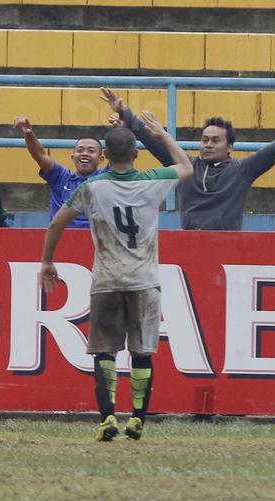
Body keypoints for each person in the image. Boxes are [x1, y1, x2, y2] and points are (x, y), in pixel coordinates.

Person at [40, 112, 192, 442]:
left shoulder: (93, 187)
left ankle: (108, 416)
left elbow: (56, 224)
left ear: (104, 156)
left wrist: (47, 262)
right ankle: (137, 418)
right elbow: (186, 167)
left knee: (105, 351)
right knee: (142, 352)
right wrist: (162, 135)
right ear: (135, 155)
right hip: (144, 281)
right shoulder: (152, 180)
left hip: (107, 281)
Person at [100, 87, 275, 230]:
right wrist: (124, 113)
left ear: (230, 146)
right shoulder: (185, 166)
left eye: (215, 141)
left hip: (228, 249)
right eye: (204, 140)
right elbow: (154, 142)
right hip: (190, 246)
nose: (208, 145)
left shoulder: (242, 170)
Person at [13, 116, 106, 228]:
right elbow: (40, 155)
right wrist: (28, 133)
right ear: (73, 157)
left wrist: (121, 129)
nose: (84, 153)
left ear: (101, 159)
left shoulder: (107, 178)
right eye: (80, 150)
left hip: (97, 242)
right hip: (61, 243)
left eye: (91, 151)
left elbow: (123, 153)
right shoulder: (61, 178)